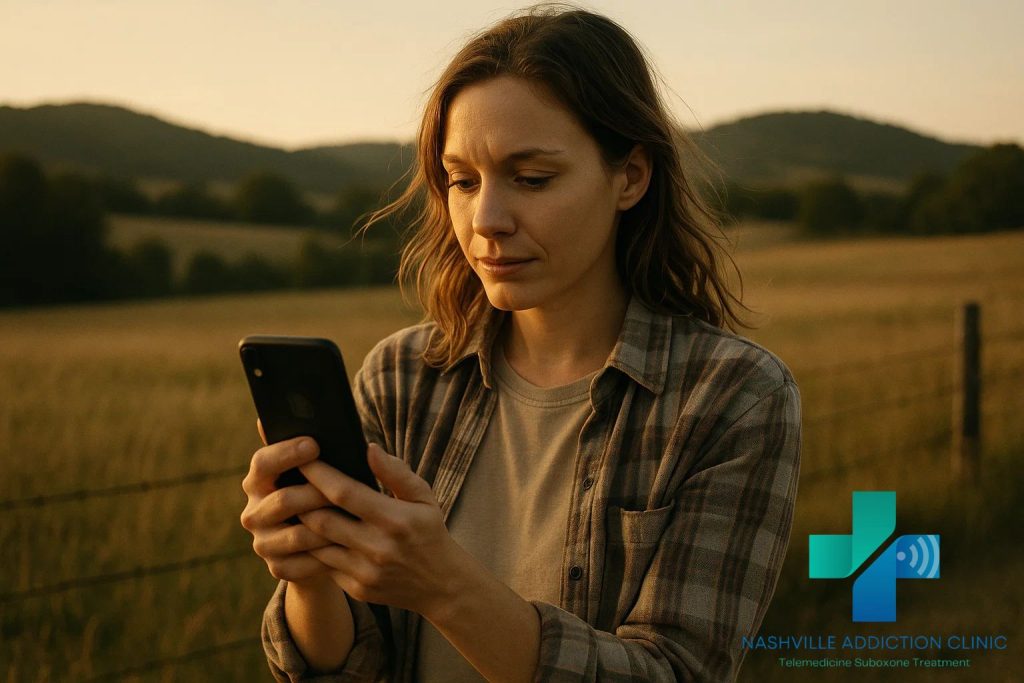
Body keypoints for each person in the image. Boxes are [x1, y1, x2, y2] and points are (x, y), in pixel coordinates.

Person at [240, 3, 801, 681]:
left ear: (630, 177)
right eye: (462, 181)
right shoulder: (401, 376)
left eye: (532, 178)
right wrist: (310, 577)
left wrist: (445, 584)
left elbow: (678, 671)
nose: (487, 220)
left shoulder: (732, 398)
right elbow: (349, 666)